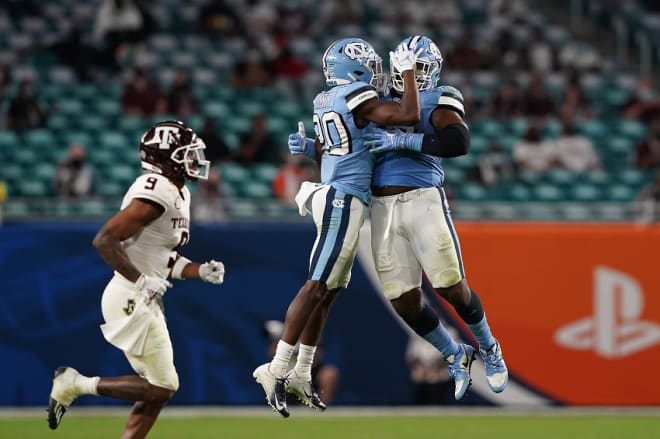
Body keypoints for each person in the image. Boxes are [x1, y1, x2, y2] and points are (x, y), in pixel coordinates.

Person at [253, 37, 421, 418]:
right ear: (354, 68)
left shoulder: (325, 99)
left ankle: (301, 372)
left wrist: (312, 147)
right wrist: (409, 72)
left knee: (327, 292)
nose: (376, 72)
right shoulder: (357, 93)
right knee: (315, 286)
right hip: (342, 198)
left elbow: (338, 150)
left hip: (337, 192)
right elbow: (408, 115)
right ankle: (277, 368)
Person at [47, 120, 226, 437]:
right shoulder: (155, 190)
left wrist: (199, 270)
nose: (195, 160)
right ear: (165, 158)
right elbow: (104, 239)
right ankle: (74, 384)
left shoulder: (177, 193)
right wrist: (141, 281)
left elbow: (162, 258)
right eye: (187, 154)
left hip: (143, 295)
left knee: (155, 392)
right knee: (164, 386)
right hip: (130, 295)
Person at [363, 35, 508, 400]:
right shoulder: (375, 99)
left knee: (449, 286)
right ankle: (454, 353)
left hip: (422, 198)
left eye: (424, 69)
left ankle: (489, 347)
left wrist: (406, 142)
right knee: (402, 299)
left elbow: (458, 142)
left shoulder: (439, 96)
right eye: (412, 69)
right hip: (380, 206)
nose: (416, 75)